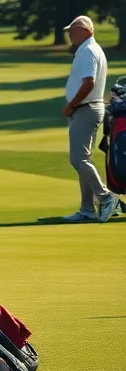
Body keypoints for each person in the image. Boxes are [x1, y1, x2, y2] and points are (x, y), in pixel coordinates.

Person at [61, 15, 118, 222]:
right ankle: (87, 209)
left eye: (73, 30)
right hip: (88, 108)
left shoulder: (87, 51)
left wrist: (72, 105)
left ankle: (105, 197)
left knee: (78, 159)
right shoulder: (89, 49)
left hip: (86, 108)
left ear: (86, 30)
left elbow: (88, 83)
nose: (69, 34)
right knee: (83, 158)